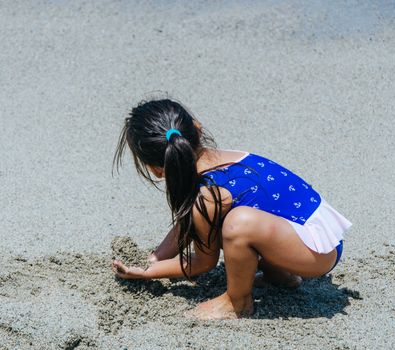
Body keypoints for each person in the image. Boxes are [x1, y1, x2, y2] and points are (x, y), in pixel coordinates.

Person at [111, 98, 352, 320]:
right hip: (321, 237)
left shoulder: (208, 198)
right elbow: (192, 221)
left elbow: (203, 263)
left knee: (237, 225)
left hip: (314, 256)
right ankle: (281, 278)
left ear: (155, 169)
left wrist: (147, 272)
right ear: (197, 128)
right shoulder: (230, 157)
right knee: (238, 218)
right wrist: (156, 258)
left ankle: (237, 302)